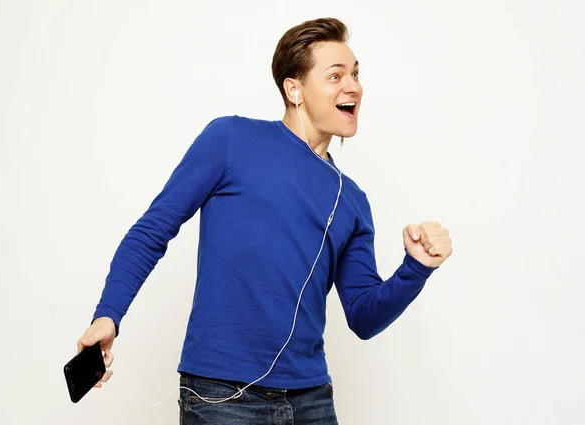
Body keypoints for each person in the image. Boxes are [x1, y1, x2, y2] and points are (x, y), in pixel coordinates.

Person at [76, 17, 452, 425]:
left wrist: (416, 268)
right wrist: (107, 315)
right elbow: (152, 232)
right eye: (336, 75)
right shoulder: (231, 140)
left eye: (356, 74)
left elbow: (363, 316)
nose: (354, 86)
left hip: (312, 400)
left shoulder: (352, 201)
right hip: (221, 398)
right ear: (295, 90)